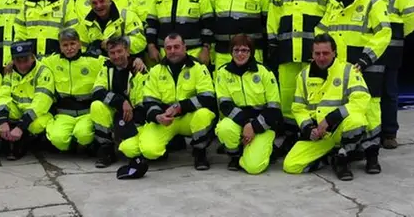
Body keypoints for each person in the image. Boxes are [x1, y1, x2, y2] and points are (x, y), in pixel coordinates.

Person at [315, 0, 391, 173]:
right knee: (346, 109)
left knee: (371, 110)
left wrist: (367, 57)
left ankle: (372, 156)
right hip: (342, 68)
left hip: (367, 66)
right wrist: (320, 52)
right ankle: (346, 153)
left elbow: (384, 32)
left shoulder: (372, 2)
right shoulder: (334, 3)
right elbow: (321, 29)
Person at [266, 0, 335, 155]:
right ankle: (290, 136)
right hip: (287, 48)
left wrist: (323, 44)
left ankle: (312, 134)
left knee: (313, 93)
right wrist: (272, 41)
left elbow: (331, 13)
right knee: (287, 95)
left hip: (314, 51)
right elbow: (274, 11)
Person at [283, 34, 370, 180]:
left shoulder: (349, 70)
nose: (321, 57)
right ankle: (331, 158)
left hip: (339, 128)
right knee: (291, 165)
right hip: (320, 134)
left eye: (326, 53)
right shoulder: (303, 76)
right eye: (317, 53)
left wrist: (331, 119)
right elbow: (298, 108)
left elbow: (361, 100)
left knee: (357, 120)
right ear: (312, 54)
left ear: (334, 53)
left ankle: (343, 159)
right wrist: (308, 128)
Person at [364, 0, 414, 149]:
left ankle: (388, 133)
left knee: (388, 93)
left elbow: (411, 20)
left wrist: (393, 36)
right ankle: (368, 132)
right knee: (367, 93)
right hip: (366, 51)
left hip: (389, 51)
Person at [139, 34, 216, 170]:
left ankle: (200, 152)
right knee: (149, 151)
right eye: (168, 48)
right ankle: (169, 145)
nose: (172, 51)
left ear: (184, 47)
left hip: (188, 117)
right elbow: (149, 101)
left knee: (203, 115)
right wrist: (157, 116)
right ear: (164, 50)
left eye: (176, 47)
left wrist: (180, 107)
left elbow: (208, 97)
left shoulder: (198, 67)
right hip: (166, 119)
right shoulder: (156, 71)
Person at [214, 34, 281, 174]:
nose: (240, 54)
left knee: (253, 168)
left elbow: (274, 109)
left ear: (251, 52)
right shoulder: (223, 73)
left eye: (244, 50)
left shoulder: (265, 72)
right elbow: (225, 105)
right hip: (239, 122)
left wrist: (254, 126)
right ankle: (235, 155)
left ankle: (263, 149)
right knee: (224, 128)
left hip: (263, 124)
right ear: (230, 52)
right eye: (236, 50)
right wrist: (246, 124)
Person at [90, 36, 149, 179]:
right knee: (97, 106)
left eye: (119, 51)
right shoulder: (106, 67)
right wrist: (120, 102)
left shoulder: (139, 69)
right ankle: (106, 150)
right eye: (112, 53)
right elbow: (97, 91)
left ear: (127, 51)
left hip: (136, 115)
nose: (116, 56)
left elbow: (144, 102)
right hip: (116, 110)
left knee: (137, 148)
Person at [43, 28, 105, 153]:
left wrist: (136, 60)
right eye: (65, 45)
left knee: (83, 135)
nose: (69, 48)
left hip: (86, 113)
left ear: (79, 44)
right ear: (60, 47)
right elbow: (33, 64)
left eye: (72, 44)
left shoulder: (94, 60)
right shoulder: (52, 61)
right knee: (58, 139)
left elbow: (115, 63)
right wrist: (12, 63)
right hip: (64, 113)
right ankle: (71, 145)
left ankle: (85, 144)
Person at [0, 41, 56, 160]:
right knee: (0, 109)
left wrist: (21, 127)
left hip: (38, 113)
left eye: (26, 60)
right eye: (18, 61)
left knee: (35, 126)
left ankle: (26, 140)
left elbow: (41, 102)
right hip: (18, 110)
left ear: (33, 57)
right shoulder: (10, 72)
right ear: (13, 60)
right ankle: (9, 139)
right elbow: (3, 95)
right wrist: (2, 121)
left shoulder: (43, 71)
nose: (22, 65)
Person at [14, 0, 80, 58]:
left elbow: (72, 31)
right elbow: (20, 33)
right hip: (32, 61)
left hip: (57, 59)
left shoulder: (65, 4)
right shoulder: (26, 5)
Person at [79, 0, 146, 58]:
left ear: (110, 0)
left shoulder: (127, 16)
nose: (98, 6)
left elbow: (140, 42)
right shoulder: (86, 23)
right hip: (97, 65)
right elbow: (81, 50)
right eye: (94, 3)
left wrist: (115, 42)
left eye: (102, 1)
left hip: (124, 63)